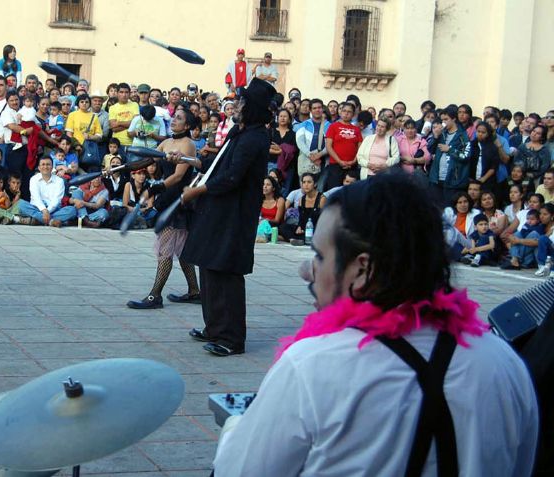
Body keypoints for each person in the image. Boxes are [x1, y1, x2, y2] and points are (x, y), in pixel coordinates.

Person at [213, 173, 538, 476]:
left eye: (320, 256)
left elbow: (239, 470)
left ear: (362, 269)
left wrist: (235, 429)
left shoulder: (312, 366)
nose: (307, 272)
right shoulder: (505, 364)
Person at [180, 78, 275, 357]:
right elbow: (218, 164)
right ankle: (214, 327)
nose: (236, 105)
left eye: (242, 102)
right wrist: (189, 161)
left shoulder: (255, 138)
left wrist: (197, 191)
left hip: (235, 214)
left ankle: (231, 338)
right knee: (209, 266)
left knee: (227, 273)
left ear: (253, 108)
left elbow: (232, 177)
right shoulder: (240, 132)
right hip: (219, 210)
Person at [127, 110, 200, 309]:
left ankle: (155, 296)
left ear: (186, 126)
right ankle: (194, 291)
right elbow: (149, 160)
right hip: (168, 198)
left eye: (179, 118)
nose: (174, 120)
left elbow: (178, 176)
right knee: (182, 251)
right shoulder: (166, 142)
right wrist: (126, 167)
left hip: (178, 201)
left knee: (165, 250)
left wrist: (156, 187)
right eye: (174, 116)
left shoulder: (188, 144)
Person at [17, 156, 77, 226]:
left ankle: (38, 220)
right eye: (43, 164)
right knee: (20, 204)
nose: (45, 167)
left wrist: (47, 211)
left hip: (54, 210)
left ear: (52, 167)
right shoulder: (33, 179)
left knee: (72, 210)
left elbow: (56, 201)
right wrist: (44, 210)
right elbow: (36, 198)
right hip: (37, 208)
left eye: (48, 164)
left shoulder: (59, 181)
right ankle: (51, 221)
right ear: (39, 168)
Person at [428, 106, 470, 205]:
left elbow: (466, 155)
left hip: (453, 181)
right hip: (436, 179)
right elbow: (429, 150)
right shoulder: (441, 134)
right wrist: (435, 136)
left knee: (450, 210)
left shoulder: (462, 135)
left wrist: (450, 150)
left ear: (454, 119)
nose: (443, 122)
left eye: (446, 119)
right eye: (442, 120)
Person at [324, 102, 362, 189]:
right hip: (335, 165)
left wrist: (354, 160)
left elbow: (360, 147)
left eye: (349, 112)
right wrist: (339, 161)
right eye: (344, 111)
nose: (346, 113)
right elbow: (328, 146)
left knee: (350, 191)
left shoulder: (356, 129)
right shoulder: (333, 126)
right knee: (334, 191)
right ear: (340, 112)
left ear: (353, 114)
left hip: (352, 166)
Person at [255, 176, 285, 243]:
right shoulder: (259, 200)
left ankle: (268, 236)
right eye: (263, 184)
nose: (265, 186)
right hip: (261, 225)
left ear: (273, 188)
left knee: (264, 224)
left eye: (268, 185)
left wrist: (266, 220)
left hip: (274, 226)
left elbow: (277, 220)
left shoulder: (280, 200)